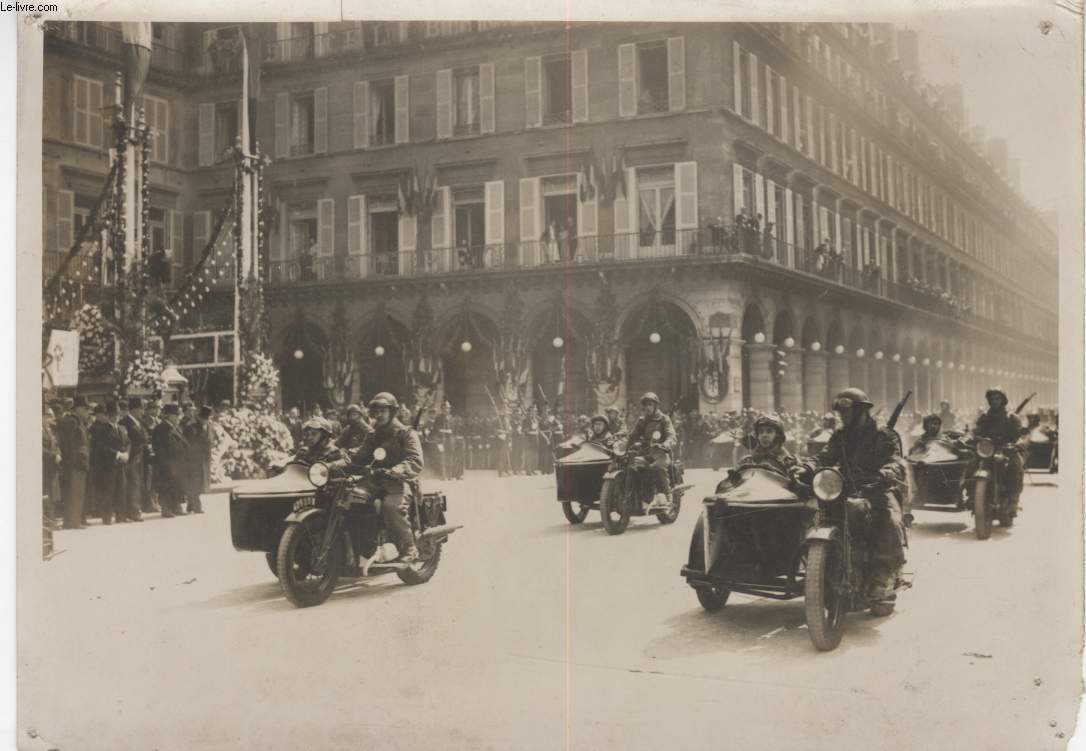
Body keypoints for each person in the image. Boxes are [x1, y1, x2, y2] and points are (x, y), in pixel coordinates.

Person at [792, 388, 906, 616]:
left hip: (875, 489)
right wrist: (807, 466)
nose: (842, 415)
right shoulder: (840, 437)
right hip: (844, 488)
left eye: (846, 410)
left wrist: (888, 471)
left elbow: (896, 460)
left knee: (889, 520)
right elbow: (824, 456)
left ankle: (883, 575)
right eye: (840, 411)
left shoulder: (883, 436)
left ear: (861, 411)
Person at [328, 393, 423, 563]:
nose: (378, 415)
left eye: (383, 411)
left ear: (392, 412)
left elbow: (415, 460)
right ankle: (365, 547)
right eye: (376, 411)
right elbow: (359, 457)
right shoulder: (373, 435)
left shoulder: (406, 433)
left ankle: (410, 547)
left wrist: (399, 468)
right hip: (375, 480)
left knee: (391, 507)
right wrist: (333, 464)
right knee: (351, 499)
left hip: (399, 481)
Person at [971, 387, 1027, 520]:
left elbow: (1020, 434)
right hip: (987, 450)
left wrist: (1018, 443)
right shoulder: (985, 417)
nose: (995, 401)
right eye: (992, 399)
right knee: (971, 462)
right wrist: (974, 437)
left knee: (1015, 465)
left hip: (1007, 450)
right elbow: (976, 431)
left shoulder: (1011, 417)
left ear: (1003, 400)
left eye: (998, 398)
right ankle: (971, 496)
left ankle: (1013, 501)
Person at [625, 392, 677, 511]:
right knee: (632, 467)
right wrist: (623, 442)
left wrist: (665, 444)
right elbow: (632, 436)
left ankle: (667, 495)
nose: (647, 407)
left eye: (650, 404)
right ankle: (643, 498)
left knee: (657, 467)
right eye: (645, 405)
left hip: (661, 452)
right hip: (646, 453)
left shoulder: (664, 419)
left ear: (655, 406)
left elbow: (672, 436)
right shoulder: (642, 420)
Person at [89, 401, 129, 525]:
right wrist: (117, 454)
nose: (116, 417)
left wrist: (127, 453)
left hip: (120, 464)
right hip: (108, 465)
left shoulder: (121, 428)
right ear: (108, 416)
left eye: (117, 414)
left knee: (121, 489)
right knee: (108, 491)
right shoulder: (102, 429)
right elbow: (100, 447)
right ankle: (107, 518)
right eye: (113, 414)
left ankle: (120, 516)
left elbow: (128, 442)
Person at [56, 396, 91, 529]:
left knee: (78, 492)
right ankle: (72, 521)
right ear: (79, 409)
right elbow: (67, 444)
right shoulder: (71, 421)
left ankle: (76, 519)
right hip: (74, 463)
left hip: (80, 462)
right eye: (86, 409)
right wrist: (74, 459)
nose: (88, 412)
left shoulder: (79, 422)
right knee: (73, 492)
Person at [152, 404, 188, 517]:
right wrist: (166, 463)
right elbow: (159, 447)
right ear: (170, 416)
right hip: (166, 462)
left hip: (177, 462)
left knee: (176, 485)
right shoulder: (161, 428)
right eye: (177, 415)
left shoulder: (175, 427)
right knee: (166, 486)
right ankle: (166, 508)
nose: (179, 417)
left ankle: (176, 506)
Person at [118, 398, 148, 522]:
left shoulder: (139, 422)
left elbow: (145, 436)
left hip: (139, 457)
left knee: (137, 484)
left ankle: (134, 510)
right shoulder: (125, 422)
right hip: (131, 457)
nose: (143, 411)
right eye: (141, 408)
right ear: (134, 409)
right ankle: (133, 511)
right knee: (133, 484)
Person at [184, 405, 213, 514]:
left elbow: (211, 441)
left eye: (208, 418)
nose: (206, 420)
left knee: (200, 483)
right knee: (195, 483)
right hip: (194, 460)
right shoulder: (191, 428)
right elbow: (188, 444)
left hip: (205, 460)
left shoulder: (209, 427)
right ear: (199, 418)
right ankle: (196, 506)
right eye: (205, 418)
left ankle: (191, 505)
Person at [42, 401, 62, 528]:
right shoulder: (38, 430)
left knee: (52, 494)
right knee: (46, 493)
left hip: (52, 466)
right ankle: (48, 520)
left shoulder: (49, 430)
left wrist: (58, 453)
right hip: (45, 466)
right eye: (49, 415)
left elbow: (56, 444)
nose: (52, 418)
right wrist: (53, 455)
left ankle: (51, 519)